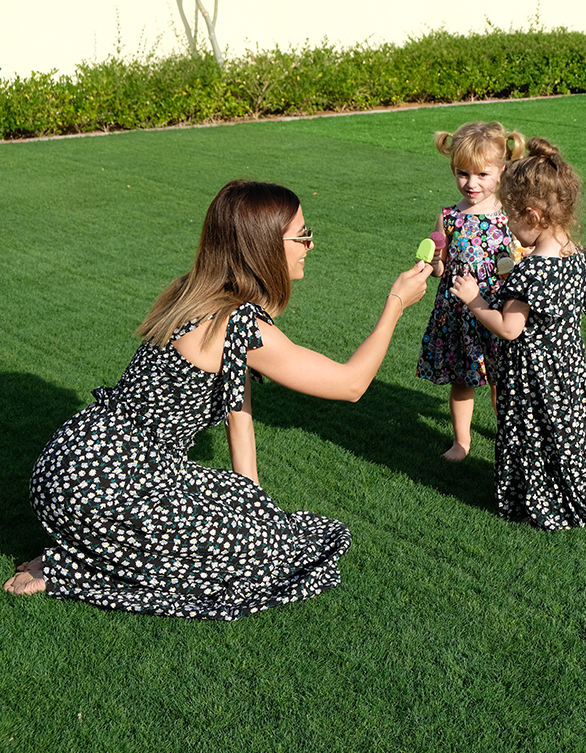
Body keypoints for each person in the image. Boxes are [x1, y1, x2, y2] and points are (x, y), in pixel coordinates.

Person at [4, 179, 431, 617]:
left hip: (74, 463)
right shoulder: (237, 321)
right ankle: (66, 567)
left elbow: (236, 407)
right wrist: (396, 303)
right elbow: (350, 384)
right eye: (301, 235)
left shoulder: (193, 290)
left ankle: (89, 543)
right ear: (264, 245)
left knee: (259, 528)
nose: (310, 244)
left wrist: (255, 504)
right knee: (256, 564)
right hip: (108, 487)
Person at [451, 138, 586, 531]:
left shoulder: (531, 269)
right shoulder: (575, 252)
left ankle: (538, 503)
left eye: (512, 219)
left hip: (532, 376)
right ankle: (576, 491)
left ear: (532, 215)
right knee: (566, 434)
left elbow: (509, 328)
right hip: (566, 368)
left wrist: (475, 298)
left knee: (533, 435)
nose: (510, 229)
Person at [417, 121, 526, 461]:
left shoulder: (511, 217)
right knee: (462, 380)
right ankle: (461, 442)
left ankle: (507, 435)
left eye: (481, 174)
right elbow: (441, 270)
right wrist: (434, 261)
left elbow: (521, 257)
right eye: (462, 174)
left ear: (501, 170)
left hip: (497, 309)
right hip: (458, 312)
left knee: (500, 380)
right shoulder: (448, 217)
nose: (471, 183)